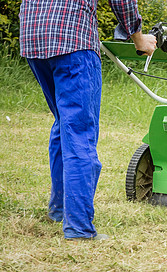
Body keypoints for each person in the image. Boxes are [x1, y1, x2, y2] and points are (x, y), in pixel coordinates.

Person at [19, 0, 157, 240]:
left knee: (65, 123)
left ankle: (59, 210)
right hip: (72, 38)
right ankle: (79, 229)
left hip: (33, 36)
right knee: (79, 131)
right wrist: (139, 38)